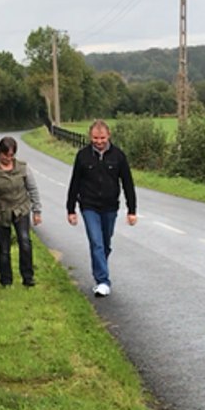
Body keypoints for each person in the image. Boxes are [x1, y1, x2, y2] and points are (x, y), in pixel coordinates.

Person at [66, 119, 137, 297]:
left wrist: (132, 210)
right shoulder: (83, 156)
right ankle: (103, 281)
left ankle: (100, 268)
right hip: (89, 205)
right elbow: (74, 183)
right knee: (96, 242)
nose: (99, 141)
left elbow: (128, 184)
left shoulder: (118, 156)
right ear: (90, 136)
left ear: (108, 136)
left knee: (105, 244)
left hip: (110, 207)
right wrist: (71, 209)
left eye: (102, 138)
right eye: (95, 138)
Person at [0, 137, 42, 287]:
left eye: (11, 155)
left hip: (21, 209)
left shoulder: (23, 168)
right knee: (4, 248)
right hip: (0, 211)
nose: (8, 158)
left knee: (25, 241)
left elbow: (33, 189)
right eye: (5, 155)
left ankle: (28, 277)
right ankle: (6, 280)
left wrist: (37, 211)